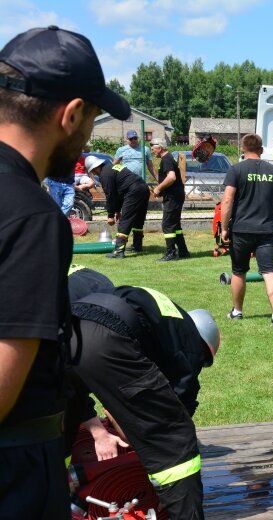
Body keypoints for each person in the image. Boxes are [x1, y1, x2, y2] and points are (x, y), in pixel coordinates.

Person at [0, 25, 129, 518]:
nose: (87, 137)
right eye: (93, 119)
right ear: (71, 113)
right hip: (15, 476)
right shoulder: (31, 215)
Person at [68, 284, 220, 519]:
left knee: (56, 429)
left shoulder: (168, 315)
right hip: (105, 337)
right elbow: (165, 421)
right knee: (175, 442)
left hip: (67, 329)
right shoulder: (190, 346)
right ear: (205, 349)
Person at [221, 133, 273, 327]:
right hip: (265, 228)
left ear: (242, 149)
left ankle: (237, 312)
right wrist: (265, 214)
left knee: (239, 271)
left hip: (241, 228)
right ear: (261, 149)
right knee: (269, 271)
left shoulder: (236, 170)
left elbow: (227, 200)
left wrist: (224, 228)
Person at [85, 155, 150, 258]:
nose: (93, 173)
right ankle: (137, 245)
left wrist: (110, 215)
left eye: (92, 171)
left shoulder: (104, 175)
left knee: (125, 221)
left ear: (96, 167)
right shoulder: (111, 167)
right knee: (138, 219)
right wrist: (117, 211)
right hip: (143, 188)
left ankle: (119, 251)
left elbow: (110, 196)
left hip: (133, 191)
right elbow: (118, 193)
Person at [151, 138, 189, 261]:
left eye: (153, 148)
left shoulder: (166, 159)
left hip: (173, 197)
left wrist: (158, 188)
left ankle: (171, 253)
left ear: (160, 148)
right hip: (175, 196)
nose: (152, 151)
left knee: (168, 225)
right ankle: (183, 251)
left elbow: (171, 177)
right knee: (175, 225)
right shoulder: (167, 159)